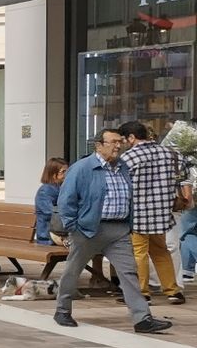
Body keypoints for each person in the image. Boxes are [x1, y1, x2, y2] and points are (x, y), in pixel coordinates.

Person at [55, 128, 173, 333]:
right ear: (99, 145)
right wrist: (73, 227)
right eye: (113, 142)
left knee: (129, 273)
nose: (118, 146)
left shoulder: (123, 166)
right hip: (88, 229)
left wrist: (129, 225)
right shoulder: (82, 168)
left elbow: (129, 197)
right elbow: (66, 201)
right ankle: (62, 311)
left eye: (120, 141)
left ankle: (142, 318)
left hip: (118, 230)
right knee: (73, 270)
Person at [119, 121, 186, 305]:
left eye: (124, 139)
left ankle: (142, 292)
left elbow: (122, 185)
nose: (123, 143)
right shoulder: (171, 153)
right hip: (163, 213)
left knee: (138, 253)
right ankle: (173, 291)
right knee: (161, 252)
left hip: (139, 214)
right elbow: (184, 173)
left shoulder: (129, 157)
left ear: (132, 137)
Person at [34, 157, 68, 244]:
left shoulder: (63, 188)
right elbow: (52, 214)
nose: (67, 174)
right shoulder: (45, 191)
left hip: (61, 232)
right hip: (49, 236)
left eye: (67, 171)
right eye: (63, 172)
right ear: (53, 174)